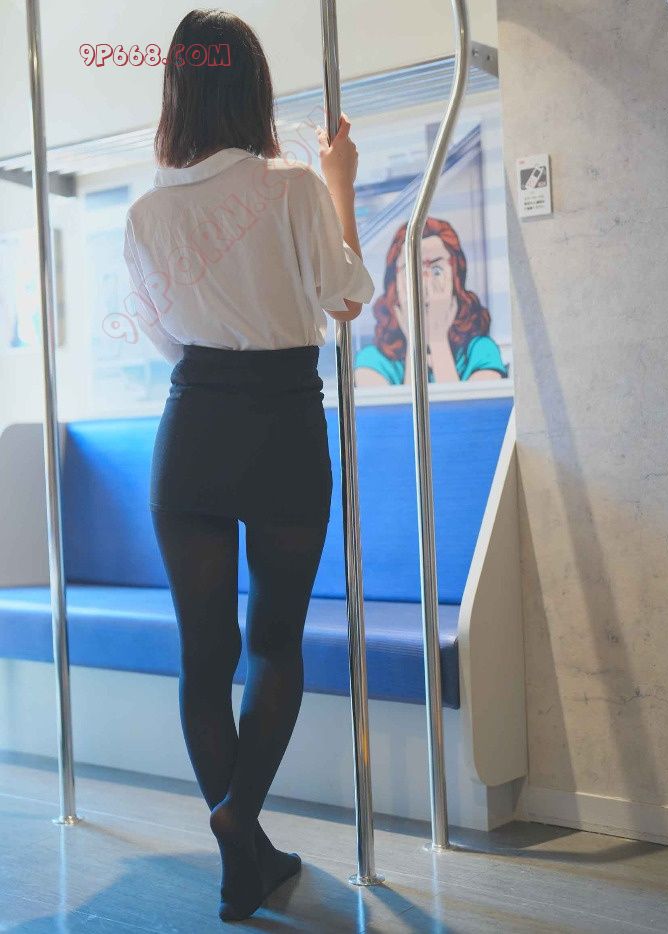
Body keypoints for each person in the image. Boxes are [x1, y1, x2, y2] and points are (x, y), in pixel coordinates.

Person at [122, 9, 374, 923]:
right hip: (280, 424)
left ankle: (243, 855)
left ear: (178, 92)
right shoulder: (294, 186)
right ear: (253, 88)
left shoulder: (146, 212)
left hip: (191, 425)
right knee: (273, 645)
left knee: (204, 656)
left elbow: (162, 341)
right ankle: (240, 821)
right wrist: (341, 182)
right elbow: (348, 299)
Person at [354, 217, 508, 386]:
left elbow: (463, 404)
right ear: (394, 283)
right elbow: (404, 405)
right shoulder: (372, 361)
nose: (424, 285)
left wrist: (437, 340)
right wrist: (415, 342)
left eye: (436, 270)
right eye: (411, 270)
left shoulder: (481, 351)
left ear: (456, 279)